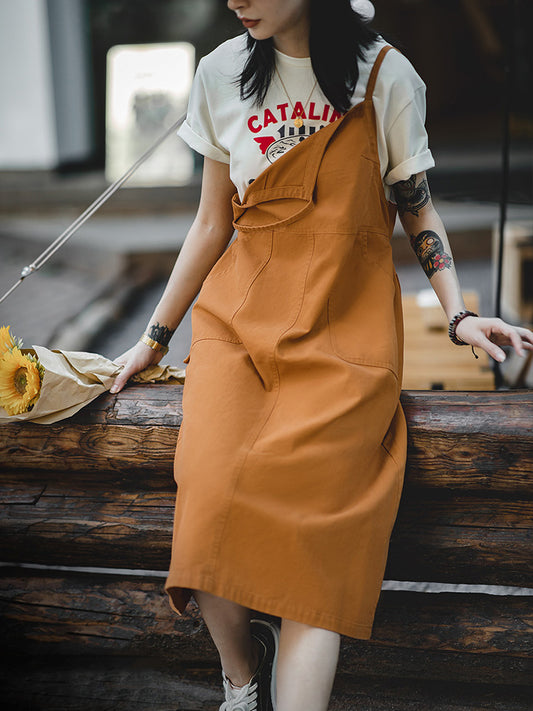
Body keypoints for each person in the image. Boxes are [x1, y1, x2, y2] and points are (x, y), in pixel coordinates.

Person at [110, 1, 533, 709]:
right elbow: (212, 222)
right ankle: (241, 679)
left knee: (315, 552)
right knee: (207, 502)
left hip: (347, 335)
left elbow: (416, 207)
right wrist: (152, 337)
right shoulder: (219, 72)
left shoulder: (387, 76)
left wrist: (457, 313)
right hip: (237, 325)